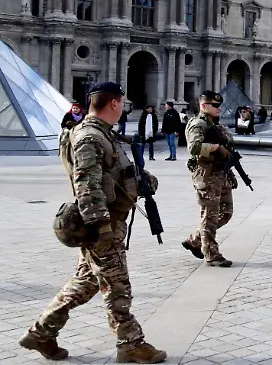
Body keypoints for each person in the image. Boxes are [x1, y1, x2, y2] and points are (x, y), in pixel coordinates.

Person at [20, 82, 167, 363]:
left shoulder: (102, 135)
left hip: (109, 221)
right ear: (113, 103)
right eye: (122, 102)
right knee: (117, 287)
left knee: (85, 282)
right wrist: (101, 230)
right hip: (103, 225)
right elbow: (86, 184)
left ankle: (41, 334)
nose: (123, 107)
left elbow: (110, 175)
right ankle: (131, 343)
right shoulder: (90, 136)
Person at [183, 91, 237, 267]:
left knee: (226, 213)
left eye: (219, 105)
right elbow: (194, 147)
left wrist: (230, 172)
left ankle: (195, 240)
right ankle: (211, 253)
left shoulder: (216, 125)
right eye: (214, 105)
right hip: (206, 175)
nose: (218, 108)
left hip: (220, 173)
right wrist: (215, 148)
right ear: (203, 106)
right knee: (210, 215)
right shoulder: (198, 124)